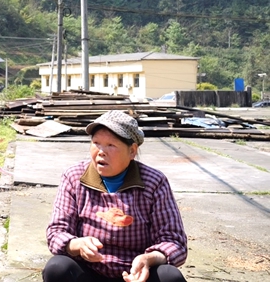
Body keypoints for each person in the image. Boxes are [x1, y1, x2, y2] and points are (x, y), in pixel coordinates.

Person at [43, 110, 188, 282]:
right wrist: (77, 245)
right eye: (96, 143)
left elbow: (175, 242)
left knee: (169, 277)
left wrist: (148, 260)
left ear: (132, 151)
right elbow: (56, 232)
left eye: (111, 145)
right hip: (89, 272)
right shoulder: (74, 177)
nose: (101, 151)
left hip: (137, 275)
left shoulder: (154, 182)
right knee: (58, 268)